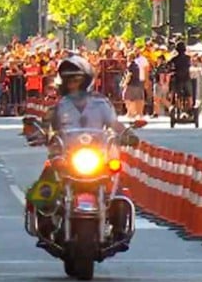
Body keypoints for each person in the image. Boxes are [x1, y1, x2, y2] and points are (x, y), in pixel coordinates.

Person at [22, 56, 138, 237]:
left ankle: (120, 226)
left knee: (117, 184)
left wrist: (127, 134)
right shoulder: (59, 106)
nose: (72, 84)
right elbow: (46, 126)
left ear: (86, 81)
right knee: (43, 187)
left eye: (77, 80)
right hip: (66, 156)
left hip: (97, 155)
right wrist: (37, 133)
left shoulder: (101, 103)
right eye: (69, 80)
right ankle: (44, 225)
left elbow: (114, 124)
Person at [167, 41, 193, 113]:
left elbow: (168, 65)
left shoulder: (174, 59)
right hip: (187, 78)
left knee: (178, 95)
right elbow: (190, 65)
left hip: (178, 78)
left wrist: (171, 70)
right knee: (189, 94)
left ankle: (178, 109)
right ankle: (190, 108)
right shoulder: (188, 58)